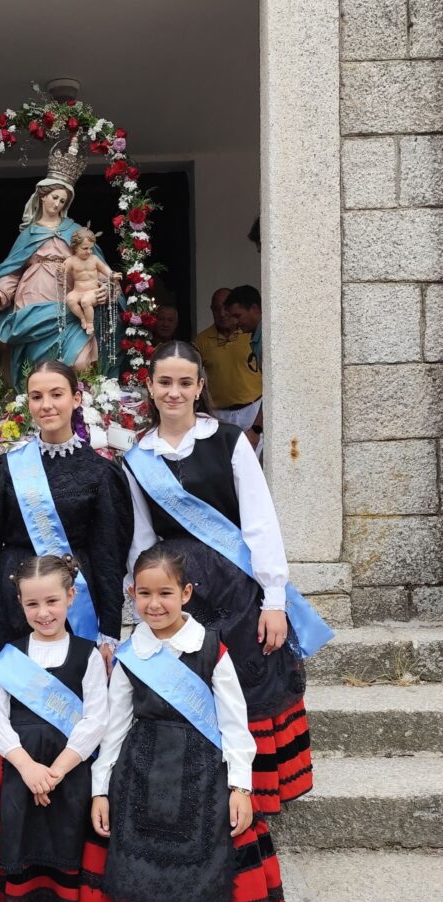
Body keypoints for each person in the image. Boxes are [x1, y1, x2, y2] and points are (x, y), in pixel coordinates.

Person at [122, 341, 327, 869]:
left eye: (184, 383)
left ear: (198, 387)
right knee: (186, 688)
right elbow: (143, 536)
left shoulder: (230, 441)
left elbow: (259, 521)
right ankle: (199, 783)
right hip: (177, 591)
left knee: (246, 683)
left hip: (236, 591)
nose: (174, 391)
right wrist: (141, 594)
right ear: (150, 386)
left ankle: (249, 790)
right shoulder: (137, 458)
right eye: (164, 382)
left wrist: (274, 598)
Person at [82, 543, 274, 902]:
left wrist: (241, 787)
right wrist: (101, 789)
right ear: (131, 595)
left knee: (217, 870)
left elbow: (234, 723)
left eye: (165, 592)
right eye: (143, 594)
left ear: (186, 593)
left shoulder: (212, 648)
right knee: (166, 877)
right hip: (145, 780)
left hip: (206, 776)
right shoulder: (130, 655)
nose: (154, 603)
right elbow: (114, 726)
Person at [0, 555, 110, 902]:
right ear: (20, 604)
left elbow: (98, 718)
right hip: (22, 777)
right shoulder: (10, 656)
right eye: (32, 603)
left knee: (67, 866)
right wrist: (27, 766)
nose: (44, 612)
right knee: (27, 866)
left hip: (70, 776)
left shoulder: (88, 655)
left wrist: (58, 769)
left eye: (53, 601)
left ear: (71, 598)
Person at [0, 359, 133, 676]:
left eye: (56, 394)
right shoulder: (6, 468)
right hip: (11, 596)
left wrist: (110, 630)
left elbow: (109, 556)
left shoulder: (101, 473)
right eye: (36, 396)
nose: (46, 405)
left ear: (76, 398)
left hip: (74, 598)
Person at [0, 143, 112, 385]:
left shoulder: (76, 231)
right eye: (54, 197)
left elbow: (93, 264)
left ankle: (81, 413)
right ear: (42, 196)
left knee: (79, 364)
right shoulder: (28, 235)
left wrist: (103, 288)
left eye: (63, 200)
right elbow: (11, 273)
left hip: (71, 302)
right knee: (39, 369)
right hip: (33, 299)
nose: (57, 204)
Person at [195, 288, 262, 432]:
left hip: (253, 409)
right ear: (211, 310)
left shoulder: (251, 332)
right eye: (217, 309)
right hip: (220, 414)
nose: (222, 314)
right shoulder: (201, 340)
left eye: (226, 309)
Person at [223, 286, 264, 449]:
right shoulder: (257, 337)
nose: (235, 322)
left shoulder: (268, 336)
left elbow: (275, 390)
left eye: (238, 316)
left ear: (254, 309)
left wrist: (256, 428)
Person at [62, 227, 121, 336]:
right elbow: (63, 270)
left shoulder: (94, 259)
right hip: (77, 291)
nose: (89, 251)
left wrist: (112, 275)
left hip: (93, 291)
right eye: (85, 248)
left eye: (91, 248)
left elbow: (105, 269)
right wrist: (60, 270)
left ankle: (90, 323)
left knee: (85, 301)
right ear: (75, 247)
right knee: (70, 299)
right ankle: (83, 318)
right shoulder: (71, 261)